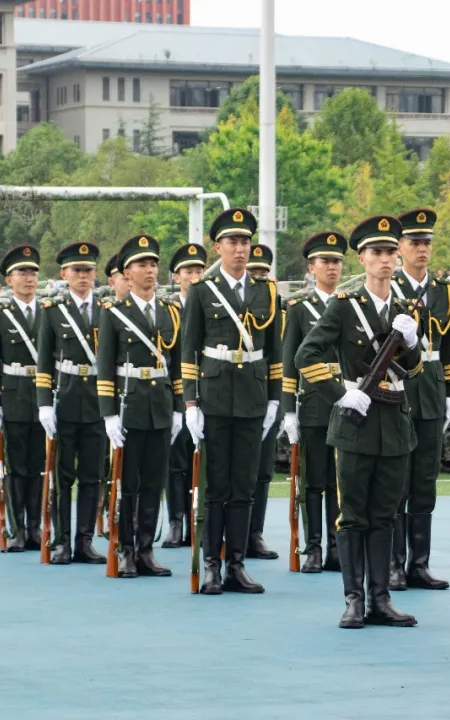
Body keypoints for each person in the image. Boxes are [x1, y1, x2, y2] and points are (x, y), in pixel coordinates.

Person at [293, 214, 423, 629]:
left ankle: (380, 599)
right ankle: (354, 599)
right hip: (355, 422)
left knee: (385, 512)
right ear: (362, 259)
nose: (384, 260)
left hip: (394, 425)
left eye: (390, 252)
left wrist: (413, 343)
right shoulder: (345, 306)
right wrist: (340, 393)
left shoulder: (404, 312)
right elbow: (305, 356)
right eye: (376, 253)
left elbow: (414, 371)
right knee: (352, 514)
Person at [180, 208, 283, 595]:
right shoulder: (203, 291)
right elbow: (188, 351)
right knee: (216, 486)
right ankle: (211, 564)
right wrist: (191, 403)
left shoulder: (266, 292)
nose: (240, 249)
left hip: (253, 399)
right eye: (232, 242)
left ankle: (236, 564)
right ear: (218, 247)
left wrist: (274, 400)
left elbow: (274, 352)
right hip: (216, 397)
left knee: (244, 486)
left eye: (245, 242)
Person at [97, 233, 184, 578]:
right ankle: (126, 550)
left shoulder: (170, 313)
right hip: (129, 404)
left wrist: (179, 407)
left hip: (160, 407)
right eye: (141, 265)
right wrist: (108, 414)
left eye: (152, 264)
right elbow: (105, 366)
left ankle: (146, 550)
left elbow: (176, 364)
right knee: (126, 484)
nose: (149, 271)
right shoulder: (115, 314)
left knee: (152, 482)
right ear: (126, 273)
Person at [389, 208, 450, 591]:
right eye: (414, 243)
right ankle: (394, 565)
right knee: (398, 481)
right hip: (399, 390)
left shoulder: (445, 291)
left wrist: (449, 393)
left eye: (426, 243)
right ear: (400, 248)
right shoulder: (390, 288)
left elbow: (449, 350)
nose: (422, 250)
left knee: (424, 482)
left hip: (431, 390)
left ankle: (420, 563)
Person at [36, 242, 107, 564]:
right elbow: (43, 363)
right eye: (77, 270)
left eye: (88, 270)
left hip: (97, 402)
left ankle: (85, 540)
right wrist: (44, 403)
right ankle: (62, 540)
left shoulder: (108, 310)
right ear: (64, 274)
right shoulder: (52, 312)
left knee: (92, 476)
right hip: (64, 400)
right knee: (63, 476)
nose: (83, 276)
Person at [281, 231, 347, 573]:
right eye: (325, 261)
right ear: (311, 267)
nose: (332, 267)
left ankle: (337, 547)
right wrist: (288, 410)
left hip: (347, 400)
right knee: (313, 482)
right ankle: (313, 547)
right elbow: (291, 360)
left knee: (340, 481)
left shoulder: (352, 304)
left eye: (337, 261)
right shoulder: (299, 309)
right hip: (313, 402)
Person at [0, 245, 45, 552]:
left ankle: (35, 528)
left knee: (38, 468)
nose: (29, 278)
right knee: (16, 467)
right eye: (22, 273)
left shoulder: (49, 313)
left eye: (33, 272)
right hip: (14, 396)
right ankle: (17, 529)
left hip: (43, 397)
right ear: (9, 280)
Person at [160, 242, 207, 549]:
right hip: (179, 395)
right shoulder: (168, 312)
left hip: (210, 392)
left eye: (199, 270)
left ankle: (200, 523)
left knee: (205, 464)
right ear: (176, 276)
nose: (194, 276)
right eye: (188, 271)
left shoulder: (213, 304)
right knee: (176, 464)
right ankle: (177, 522)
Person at [244, 243, 283, 560]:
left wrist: (278, 401)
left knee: (262, 470)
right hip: (232, 395)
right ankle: (229, 534)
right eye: (252, 272)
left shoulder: (276, 307)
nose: (258, 277)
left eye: (263, 273)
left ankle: (254, 534)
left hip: (266, 396)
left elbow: (279, 358)